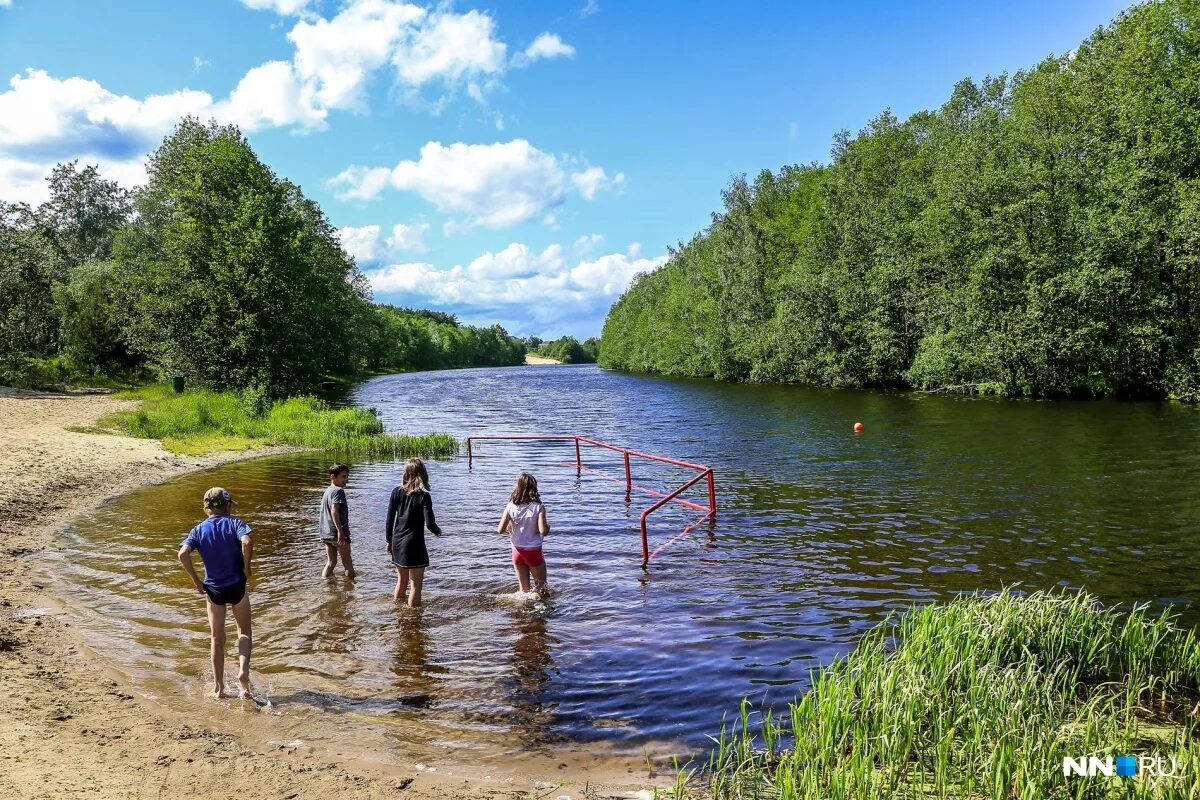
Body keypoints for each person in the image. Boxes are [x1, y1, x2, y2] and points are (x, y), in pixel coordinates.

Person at [177, 487, 254, 700]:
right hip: (237, 586)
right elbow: (247, 542)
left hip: (214, 589)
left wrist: (196, 582)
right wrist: (247, 568)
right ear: (228, 505)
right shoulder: (235, 523)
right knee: (244, 632)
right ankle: (243, 673)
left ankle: (219, 689)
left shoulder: (198, 529)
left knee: (217, 638)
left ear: (206, 509)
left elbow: (183, 553)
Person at [385, 458, 442, 607]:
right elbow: (430, 524)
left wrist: (388, 541)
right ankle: (413, 618)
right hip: (414, 543)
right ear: (422, 474)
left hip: (397, 541)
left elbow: (389, 520)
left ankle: (397, 611)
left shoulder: (396, 492)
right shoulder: (424, 496)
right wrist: (438, 532)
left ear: (406, 474)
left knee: (401, 581)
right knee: (416, 586)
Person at [496, 472, 551, 595]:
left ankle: (523, 610)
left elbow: (500, 530)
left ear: (518, 488)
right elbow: (543, 531)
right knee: (541, 589)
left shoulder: (511, 506)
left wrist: (511, 527)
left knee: (523, 590)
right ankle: (539, 612)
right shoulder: (539, 507)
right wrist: (548, 527)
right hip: (533, 552)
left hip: (517, 552)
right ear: (534, 488)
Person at [320, 463, 355, 579]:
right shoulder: (338, 491)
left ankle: (325, 584)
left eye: (347, 476)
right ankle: (350, 593)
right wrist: (341, 532)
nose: (346, 480)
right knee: (348, 564)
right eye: (343, 477)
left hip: (326, 532)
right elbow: (334, 511)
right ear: (333, 477)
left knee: (331, 563)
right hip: (337, 532)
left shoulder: (327, 491)